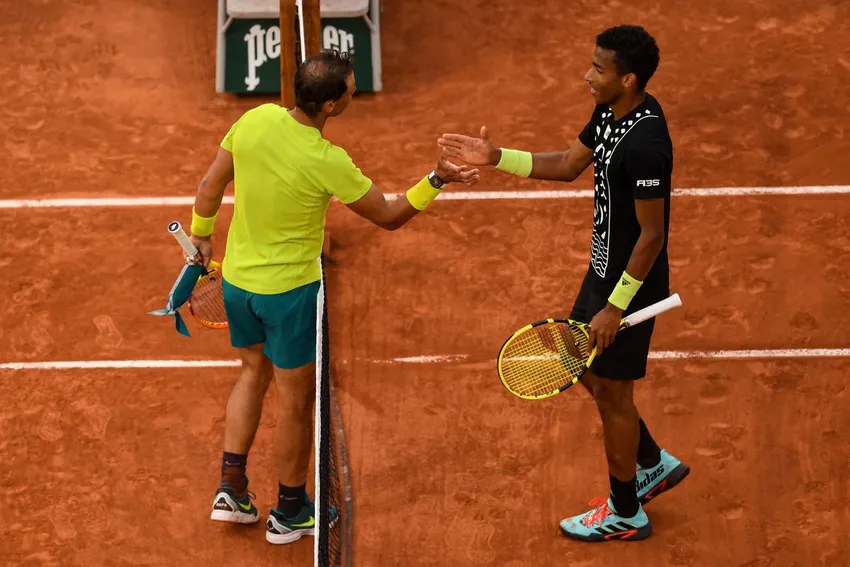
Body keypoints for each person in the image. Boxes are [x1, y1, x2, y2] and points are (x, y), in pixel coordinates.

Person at [186, 49, 479, 545]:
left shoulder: (254, 119)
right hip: (289, 297)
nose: (355, 92)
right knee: (295, 402)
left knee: (251, 373)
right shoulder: (328, 160)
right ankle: (291, 513)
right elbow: (387, 214)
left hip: (236, 284)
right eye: (350, 88)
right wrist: (437, 180)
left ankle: (230, 491)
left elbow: (211, 183)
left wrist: (201, 233)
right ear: (330, 105)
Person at [438, 25, 688, 541]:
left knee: (614, 395)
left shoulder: (646, 143)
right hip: (601, 274)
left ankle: (625, 512)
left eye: (598, 69)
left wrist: (615, 307)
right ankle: (649, 461)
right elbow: (571, 164)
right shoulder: (610, 112)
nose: (587, 76)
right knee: (586, 374)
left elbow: (651, 236)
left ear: (629, 77)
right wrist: (497, 157)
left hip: (629, 287)